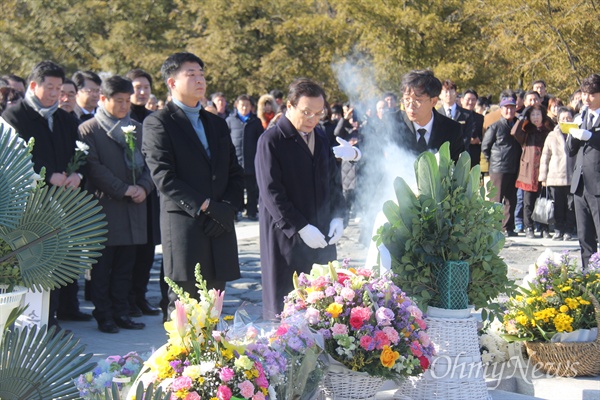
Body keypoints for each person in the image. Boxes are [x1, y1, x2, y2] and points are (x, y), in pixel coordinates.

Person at [143, 52, 244, 310]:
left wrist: (227, 209)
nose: (200, 80)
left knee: (215, 304)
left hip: (219, 224)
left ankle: (213, 352)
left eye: (201, 74)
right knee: (185, 305)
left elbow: (233, 171)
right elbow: (164, 177)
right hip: (185, 225)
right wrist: (207, 207)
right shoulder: (159, 123)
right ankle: (183, 352)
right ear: (172, 82)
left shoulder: (217, 124)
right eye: (191, 74)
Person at [2, 60, 89, 329]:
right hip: (28, 206)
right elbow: (11, 158)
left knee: (59, 261)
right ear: (33, 85)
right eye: (49, 87)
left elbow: (80, 152)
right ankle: (22, 321)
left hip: (61, 204)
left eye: (58, 88)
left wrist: (78, 174)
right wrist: (46, 174)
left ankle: (52, 317)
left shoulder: (66, 118)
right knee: (31, 264)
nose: (54, 93)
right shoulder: (14, 117)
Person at [255, 78, 349, 320]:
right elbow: (271, 193)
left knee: (325, 307)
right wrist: (301, 226)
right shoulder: (271, 140)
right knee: (289, 309)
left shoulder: (320, 136)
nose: (312, 119)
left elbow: (334, 182)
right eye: (306, 112)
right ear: (289, 106)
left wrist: (339, 215)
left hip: (322, 232)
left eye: (318, 114)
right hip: (287, 236)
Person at [79, 75, 153, 333]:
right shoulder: (90, 129)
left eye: (127, 101)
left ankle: (122, 312)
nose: (124, 106)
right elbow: (94, 168)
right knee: (101, 268)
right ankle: (104, 315)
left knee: (125, 267)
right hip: (105, 208)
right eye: (118, 101)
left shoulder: (137, 127)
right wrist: (124, 189)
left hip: (134, 208)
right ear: (103, 99)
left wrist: (144, 186)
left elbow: (150, 163)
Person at [125, 68, 162, 317]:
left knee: (147, 251)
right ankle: (126, 298)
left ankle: (140, 296)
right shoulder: (121, 118)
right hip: (127, 196)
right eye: (136, 87)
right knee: (129, 254)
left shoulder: (153, 118)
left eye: (145, 87)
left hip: (149, 192)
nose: (141, 91)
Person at [567, 74, 600, 270]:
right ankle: (589, 276)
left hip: (598, 184)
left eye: (592, 94)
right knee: (584, 236)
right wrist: (573, 132)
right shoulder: (582, 115)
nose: (587, 99)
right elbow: (571, 150)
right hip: (580, 184)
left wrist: (591, 136)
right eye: (585, 94)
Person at [396, 70, 465, 161]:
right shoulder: (392, 123)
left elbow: (458, 169)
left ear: (434, 101)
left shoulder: (452, 130)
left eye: (418, 100)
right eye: (407, 99)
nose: (410, 106)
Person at [511, 104, 553, 238]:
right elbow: (514, 133)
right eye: (533, 115)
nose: (536, 117)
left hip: (545, 170)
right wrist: (521, 119)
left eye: (538, 114)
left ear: (543, 116)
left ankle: (544, 227)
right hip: (528, 170)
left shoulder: (548, 130)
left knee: (544, 200)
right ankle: (529, 227)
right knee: (528, 202)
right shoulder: (526, 131)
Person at [482, 96, 522, 237]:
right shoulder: (496, 126)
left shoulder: (518, 124)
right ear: (501, 109)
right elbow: (485, 146)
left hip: (514, 167)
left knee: (511, 199)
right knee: (496, 199)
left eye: (512, 107)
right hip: (498, 167)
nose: (509, 110)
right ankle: (494, 226)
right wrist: (493, 161)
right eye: (506, 107)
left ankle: (508, 227)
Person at [539, 106, 576, 241]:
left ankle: (569, 230)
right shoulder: (552, 135)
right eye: (563, 118)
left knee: (571, 206)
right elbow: (545, 157)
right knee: (558, 205)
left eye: (569, 118)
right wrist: (543, 177)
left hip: (573, 177)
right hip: (555, 176)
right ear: (558, 120)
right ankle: (558, 229)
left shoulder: (576, 134)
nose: (566, 120)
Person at [226, 94, 264, 221]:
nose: (244, 107)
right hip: (236, 161)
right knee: (236, 188)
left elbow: (261, 140)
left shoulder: (256, 121)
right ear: (236, 105)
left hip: (251, 161)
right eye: (242, 105)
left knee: (252, 189)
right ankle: (237, 211)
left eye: (247, 105)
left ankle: (252, 211)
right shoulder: (230, 120)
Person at [439, 79, 481, 166]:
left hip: (461, 158)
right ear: (440, 94)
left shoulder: (466, 114)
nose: (449, 94)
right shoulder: (436, 114)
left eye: (451, 91)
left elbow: (467, 137)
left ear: (456, 93)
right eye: (446, 91)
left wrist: (456, 152)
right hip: (441, 159)